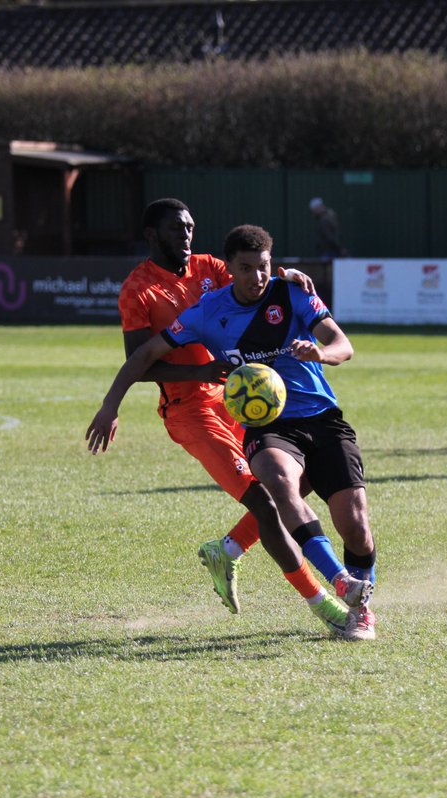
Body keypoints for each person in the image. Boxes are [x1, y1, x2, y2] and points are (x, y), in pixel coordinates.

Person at [95, 210, 373, 639]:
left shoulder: (211, 266)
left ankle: (227, 548)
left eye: (190, 226)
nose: (187, 235)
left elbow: (269, 277)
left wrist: (292, 278)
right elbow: (143, 360)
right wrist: (113, 403)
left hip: (240, 399)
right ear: (152, 234)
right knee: (268, 498)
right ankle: (329, 599)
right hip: (194, 408)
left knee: (304, 492)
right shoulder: (139, 289)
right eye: (176, 228)